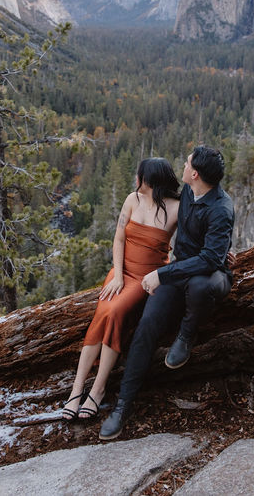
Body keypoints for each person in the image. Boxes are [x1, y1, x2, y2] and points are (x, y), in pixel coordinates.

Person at [100, 145, 234, 440]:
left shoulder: (221, 208)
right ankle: (122, 406)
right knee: (147, 326)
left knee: (201, 285)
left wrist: (161, 273)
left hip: (210, 276)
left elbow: (211, 260)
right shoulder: (186, 192)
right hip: (180, 271)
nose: (182, 166)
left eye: (187, 163)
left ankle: (186, 336)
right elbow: (157, 210)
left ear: (195, 173)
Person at [61, 158, 181, 421]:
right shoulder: (132, 199)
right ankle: (76, 389)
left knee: (114, 311)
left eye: (140, 176)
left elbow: (194, 239)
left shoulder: (177, 209)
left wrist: (220, 252)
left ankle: (98, 389)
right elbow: (119, 237)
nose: (136, 181)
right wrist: (116, 274)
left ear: (150, 180)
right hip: (120, 272)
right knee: (104, 312)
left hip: (145, 278)